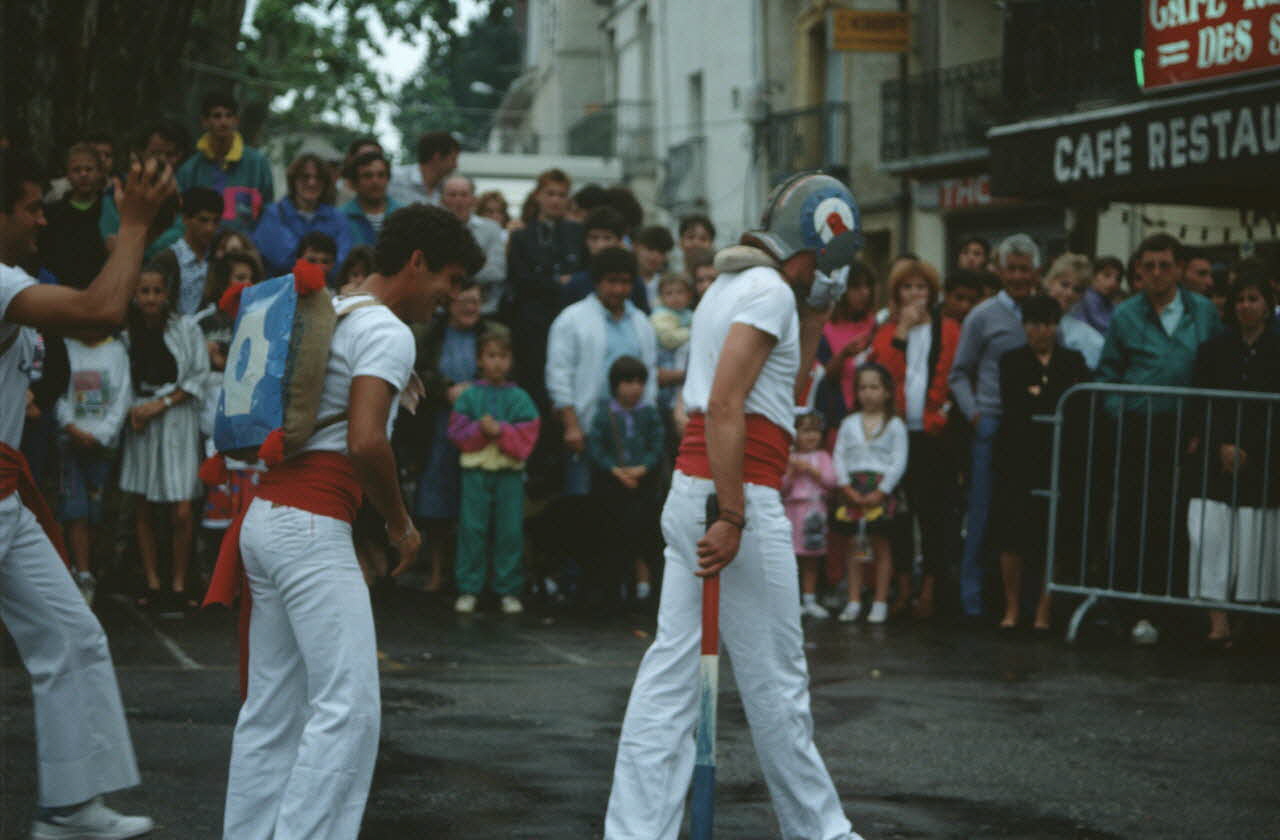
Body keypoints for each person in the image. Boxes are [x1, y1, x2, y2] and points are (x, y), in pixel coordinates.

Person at [605, 171, 863, 840]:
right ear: (815, 248)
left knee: (669, 679)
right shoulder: (771, 291)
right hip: (734, 491)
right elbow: (725, 404)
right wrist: (734, 514)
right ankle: (825, 836)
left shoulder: (732, 287)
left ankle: (635, 832)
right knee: (777, 684)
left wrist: (817, 313)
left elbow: (785, 385)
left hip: (696, 487)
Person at [213, 203, 483, 838]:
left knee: (271, 710)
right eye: (447, 279)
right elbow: (365, 441)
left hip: (267, 513)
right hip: (310, 524)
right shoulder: (387, 330)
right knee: (349, 710)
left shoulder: (337, 307)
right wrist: (399, 525)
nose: (449, 296)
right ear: (416, 263)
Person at [1, 148, 172, 839]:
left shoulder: (14, 281)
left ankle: (69, 808)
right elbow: (102, 312)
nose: (44, 217)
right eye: (31, 207)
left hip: (7, 499)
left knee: (73, 637)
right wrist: (133, 222)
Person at [1097, 232, 1221, 644]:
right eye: (1148, 266)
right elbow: (1108, 375)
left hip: (1188, 433)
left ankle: (1179, 613)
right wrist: (1121, 415)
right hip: (1139, 430)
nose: (1156, 273)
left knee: (1184, 522)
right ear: (1138, 271)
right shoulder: (1126, 315)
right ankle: (1135, 609)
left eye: (1165, 265)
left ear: (1179, 268)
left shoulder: (1202, 312)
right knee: (1136, 518)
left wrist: (1202, 428)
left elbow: (1214, 371)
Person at [948, 233, 1040, 619]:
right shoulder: (983, 315)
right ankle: (972, 600)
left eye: (1025, 269)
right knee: (982, 512)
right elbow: (959, 373)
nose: (1019, 277)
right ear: (999, 271)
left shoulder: (1043, 311)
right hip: (992, 423)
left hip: (1032, 424)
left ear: (1036, 271)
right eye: (1012, 269)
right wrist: (975, 413)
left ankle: (1023, 602)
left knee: (1024, 516)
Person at [1187, 270, 1280, 646]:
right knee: (1210, 535)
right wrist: (1221, 445)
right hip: (1216, 457)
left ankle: (1248, 619)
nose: (1245, 306)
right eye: (1239, 299)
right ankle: (1217, 621)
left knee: (1254, 538)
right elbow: (1200, 403)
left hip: (1265, 461)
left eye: (1253, 299)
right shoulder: (1213, 349)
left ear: (1267, 304)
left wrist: (1250, 450)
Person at [868, 257, 959, 620]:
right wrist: (901, 331)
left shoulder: (949, 328)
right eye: (908, 287)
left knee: (934, 515)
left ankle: (931, 590)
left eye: (921, 287)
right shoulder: (888, 328)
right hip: (896, 434)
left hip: (933, 435)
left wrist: (939, 415)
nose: (915, 294)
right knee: (898, 516)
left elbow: (952, 374)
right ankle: (903, 587)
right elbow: (883, 376)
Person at [993, 295, 1089, 631]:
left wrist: (1043, 397)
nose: (1041, 330)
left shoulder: (1073, 360)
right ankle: (1012, 607)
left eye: (1048, 323)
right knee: (1013, 533)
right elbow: (1016, 404)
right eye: (1034, 323)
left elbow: (1075, 406)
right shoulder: (1011, 360)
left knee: (1053, 534)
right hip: (1019, 456)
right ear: (1024, 326)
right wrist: (1047, 399)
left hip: (1060, 457)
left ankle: (1043, 612)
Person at [120, 259, 209, 612]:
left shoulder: (185, 328)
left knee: (182, 508)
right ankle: (154, 582)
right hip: (141, 417)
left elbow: (197, 376)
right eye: (144, 291)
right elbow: (119, 376)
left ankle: (179, 582)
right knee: (143, 502)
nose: (151, 298)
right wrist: (134, 410)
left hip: (176, 419)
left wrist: (163, 403)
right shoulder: (127, 332)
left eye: (157, 291)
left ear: (167, 294)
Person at [402, 282, 494, 593]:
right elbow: (417, 372)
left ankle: (469, 574)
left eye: (476, 301)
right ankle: (437, 570)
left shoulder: (492, 333)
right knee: (438, 502)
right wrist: (445, 389)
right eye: (464, 301)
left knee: (475, 502)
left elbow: (503, 368)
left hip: (481, 425)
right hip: (440, 426)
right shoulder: (431, 333)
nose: (470, 308)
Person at [546, 247, 658, 500]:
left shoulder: (641, 323)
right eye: (612, 281)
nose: (619, 289)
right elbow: (559, 374)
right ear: (597, 281)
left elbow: (649, 375)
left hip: (630, 432)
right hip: (587, 428)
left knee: (626, 505)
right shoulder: (572, 319)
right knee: (583, 501)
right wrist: (571, 424)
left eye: (626, 282)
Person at [448, 329, 540, 614]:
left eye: (502, 356)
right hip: (475, 472)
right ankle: (468, 587)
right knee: (472, 528)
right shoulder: (469, 396)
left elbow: (529, 432)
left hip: (509, 473)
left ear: (510, 360)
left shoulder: (520, 397)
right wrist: (479, 430)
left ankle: (508, 588)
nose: (497, 362)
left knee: (509, 530)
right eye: (491, 356)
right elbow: (456, 431)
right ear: (479, 360)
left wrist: (500, 431)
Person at [56, 328, 131, 604]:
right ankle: (82, 572)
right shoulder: (66, 346)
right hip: (71, 443)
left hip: (103, 445)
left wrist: (102, 434)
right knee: (76, 509)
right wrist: (71, 427)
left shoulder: (116, 351)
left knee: (98, 512)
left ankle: (96, 569)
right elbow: (57, 390)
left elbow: (123, 396)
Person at [831, 364, 908, 624]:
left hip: (880, 489)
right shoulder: (848, 423)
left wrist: (883, 491)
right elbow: (839, 455)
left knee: (881, 545)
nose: (868, 393)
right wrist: (845, 486)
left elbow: (899, 460)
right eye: (862, 387)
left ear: (887, 392)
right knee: (854, 545)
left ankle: (880, 601)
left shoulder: (895, 424)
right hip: (853, 487)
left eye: (874, 387)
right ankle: (853, 600)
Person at [585, 355, 664, 607]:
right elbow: (596, 447)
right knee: (613, 543)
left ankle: (652, 593)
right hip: (613, 490)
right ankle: (612, 595)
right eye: (628, 382)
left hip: (644, 490)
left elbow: (657, 444)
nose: (635, 388)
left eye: (640, 382)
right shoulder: (604, 414)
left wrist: (644, 467)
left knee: (648, 541)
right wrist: (614, 470)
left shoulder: (649, 413)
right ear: (615, 385)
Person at [505, 168, 583, 409]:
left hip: (571, 322)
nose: (555, 200)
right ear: (538, 195)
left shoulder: (578, 234)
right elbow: (521, 280)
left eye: (561, 195)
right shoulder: (521, 237)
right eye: (550, 193)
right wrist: (557, 283)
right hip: (534, 328)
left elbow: (582, 277)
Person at [177, 91, 274, 231]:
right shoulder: (190, 170)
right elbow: (181, 218)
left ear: (236, 121)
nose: (223, 122)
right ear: (204, 122)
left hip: (245, 249)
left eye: (229, 115)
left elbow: (268, 213)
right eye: (217, 116)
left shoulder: (258, 164)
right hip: (201, 249)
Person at [253, 152, 351, 277]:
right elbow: (282, 259)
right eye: (305, 177)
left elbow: (342, 261)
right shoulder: (274, 214)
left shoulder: (338, 218)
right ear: (293, 180)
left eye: (318, 177)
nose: (312, 183)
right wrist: (323, 261)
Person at [814, 260, 878, 440]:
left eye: (868, 286)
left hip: (872, 418)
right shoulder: (826, 328)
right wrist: (843, 355)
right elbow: (827, 378)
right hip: (837, 419)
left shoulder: (875, 324)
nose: (864, 292)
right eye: (856, 287)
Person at [784, 410, 837, 619]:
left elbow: (832, 481)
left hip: (815, 511)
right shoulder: (789, 457)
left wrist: (812, 471)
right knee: (790, 558)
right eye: (805, 431)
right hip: (792, 511)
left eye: (815, 431)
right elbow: (782, 487)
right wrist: (792, 471)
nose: (811, 436)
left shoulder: (822, 457)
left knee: (811, 559)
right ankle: (792, 601)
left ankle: (810, 599)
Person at [39, 142, 108, 289]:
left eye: (89, 169)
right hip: (63, 292)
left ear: (100, 173)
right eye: (77, 170)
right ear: (67, 175)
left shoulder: (110, 210)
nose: (83, 174)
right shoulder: (53, 213)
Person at [440, 173, 506, 314]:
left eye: (464, 195)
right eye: (452, 195)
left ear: (473, 199)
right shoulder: (432, 230)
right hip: (440, 310)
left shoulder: (491, 229)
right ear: (442, 200)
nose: (458, 200)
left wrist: (451, 274)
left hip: (483, 310)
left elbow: (497, 271)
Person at [561, 205, 647, 310]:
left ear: (619, 241)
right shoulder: (576, 282)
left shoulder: (632, 282)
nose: (600, 245)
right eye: (594, 238)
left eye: (607, 238)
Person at [159, 185, 223, 315]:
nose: (210, 228)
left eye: (215, 221)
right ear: (185, 219)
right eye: (203, 220)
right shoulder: (168, 259)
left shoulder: (218, 260)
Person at [1044, 252, 1105, 370]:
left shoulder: (1089, 338)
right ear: (1050, 281)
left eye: (1077, 289)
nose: (1069, 293)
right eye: (1064, 284)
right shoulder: (1028, 319)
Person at [651, 273, 695, 414]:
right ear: (661, 298)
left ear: (689, 296)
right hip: (666, 364)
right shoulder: (661, 315)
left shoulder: (689, 314)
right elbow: (668, 339)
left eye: (680, 292)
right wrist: (690, 332)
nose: (675, 297)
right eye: (669, 293)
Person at [340, 150, 400, 249]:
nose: (375, 181)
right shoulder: (341, 217)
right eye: (367, 176)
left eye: (381, 175)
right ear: (355, 182)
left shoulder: (402, 214)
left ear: (388, 179)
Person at [389, 130, 460, 207]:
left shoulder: (447, 190)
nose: (455, 165)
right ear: (437, 157)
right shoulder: (394, 178)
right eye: (453, 159)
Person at [1076, 255, 1124, 334]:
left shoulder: (1109, 302)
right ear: (1093, 276)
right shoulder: (1087, 298)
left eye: (1117, 279)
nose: (1113, 283)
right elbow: (1105, 328)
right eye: (1107, 275)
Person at [633, 224, 674, 312]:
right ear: (636, 247)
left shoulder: (668, 284)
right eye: (650, 249)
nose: (655, 256)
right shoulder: (624, 281)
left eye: (661, 252)